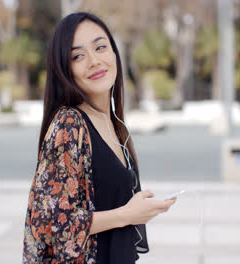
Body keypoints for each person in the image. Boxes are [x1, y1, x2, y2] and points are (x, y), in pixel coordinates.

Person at [23, 12, 176, 264]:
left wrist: (139, 211)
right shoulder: (69, 124)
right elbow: (52, 225)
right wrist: (128, 215)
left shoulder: (112, 123)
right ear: (65, 68)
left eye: (100, 47)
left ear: (114, 53)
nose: (94, 61)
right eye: (78, 56)